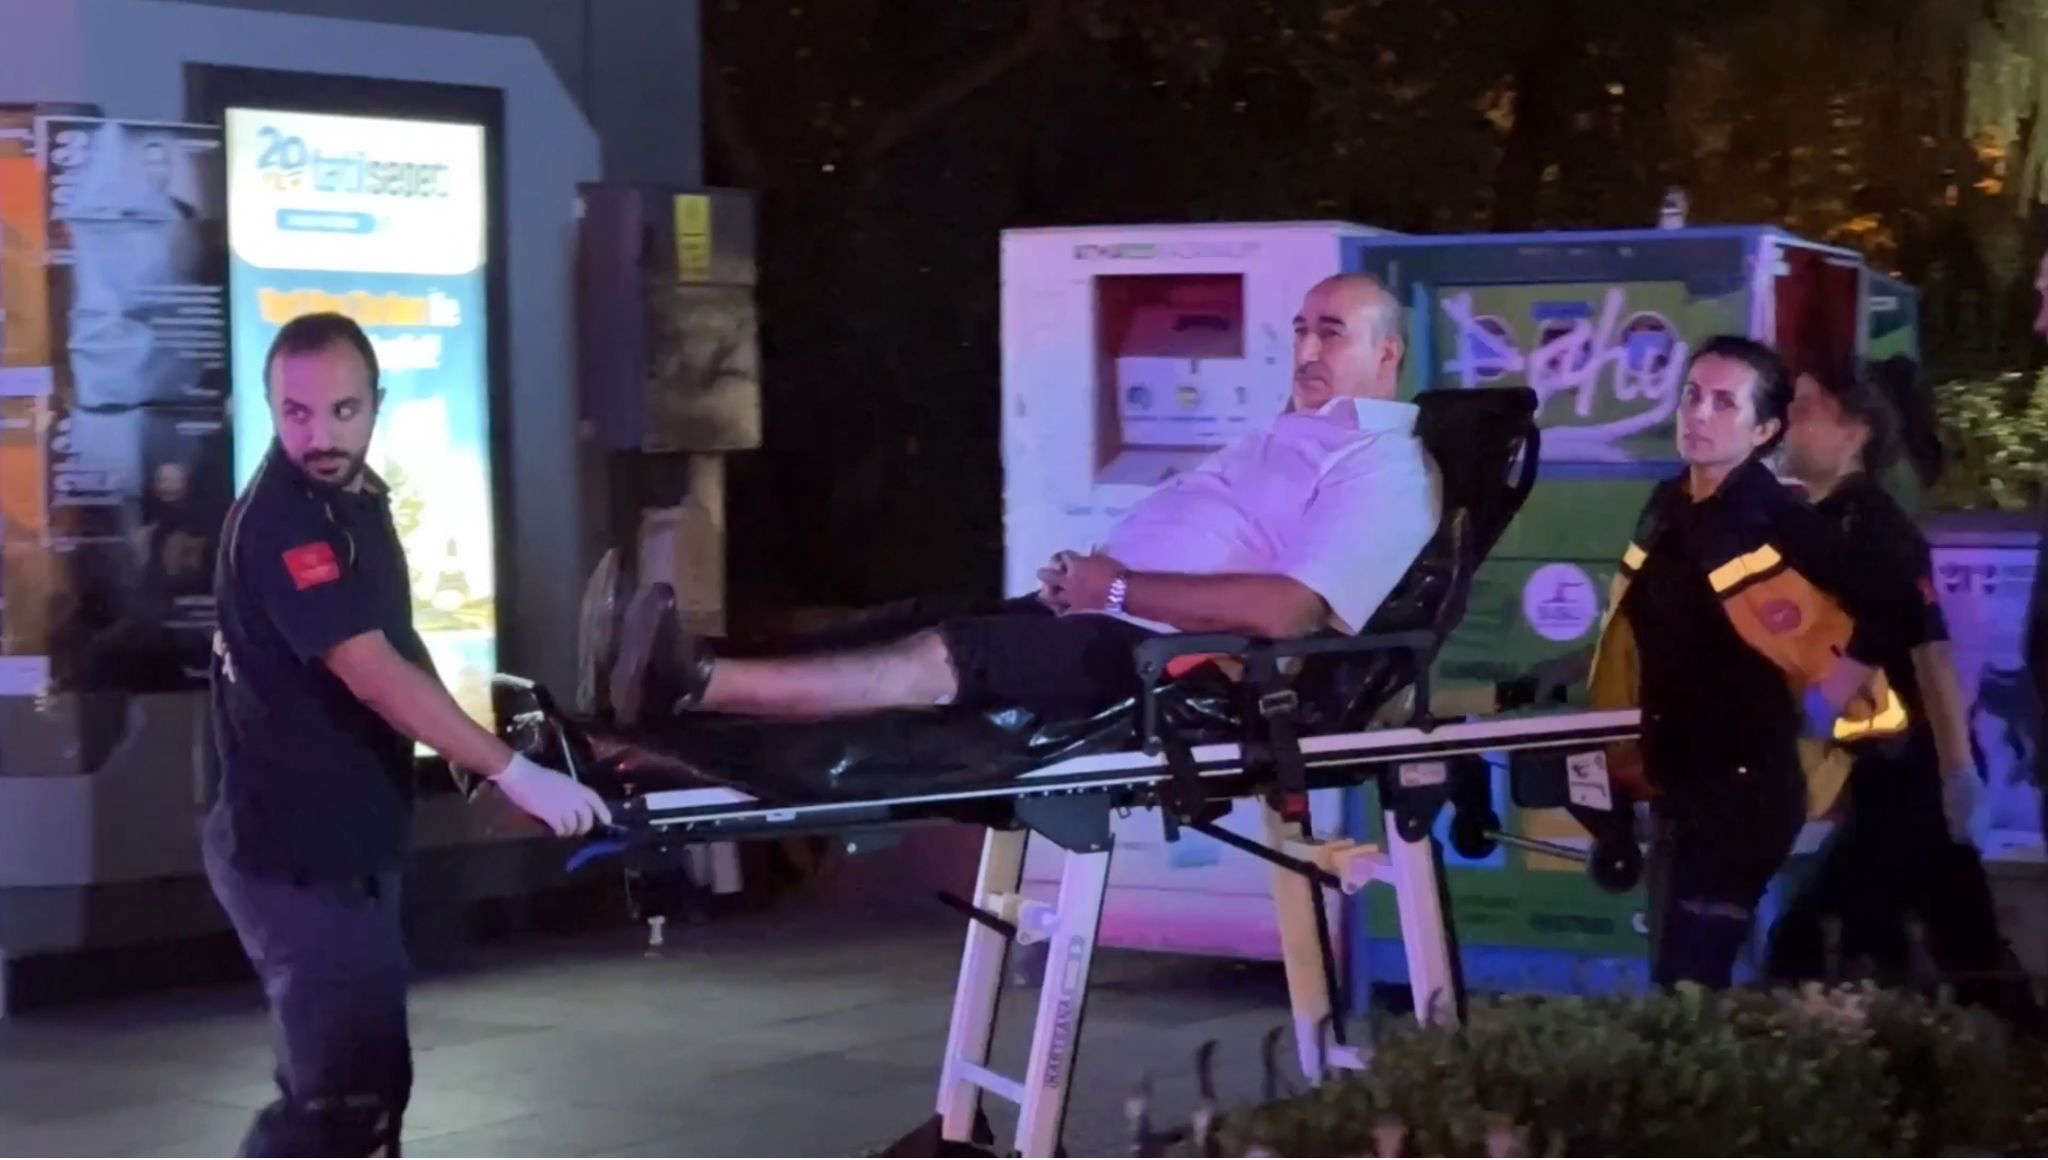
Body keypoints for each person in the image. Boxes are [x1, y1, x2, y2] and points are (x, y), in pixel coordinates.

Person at [596, 273, 1443, 727]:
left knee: (952, 656)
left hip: (1176, 663)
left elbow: (1289, 611)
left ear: (1388, 354)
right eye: (1300, 329)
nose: (1306, 348)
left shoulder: (1385, 471)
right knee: (923, 617)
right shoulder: (1297, 435)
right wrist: (1097, 584)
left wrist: (1117, 586)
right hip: (1119, 619)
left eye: (1331, 332)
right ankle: (683, 657)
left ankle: (695, 683)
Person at [204, 311, 612, 1156]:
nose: (320, 436)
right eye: (297, 413)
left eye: (343, 411)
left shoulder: (358, 499)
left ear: (377, 404)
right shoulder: (283, 521)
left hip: (352, 835)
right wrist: (511, 771)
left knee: (375, 1084)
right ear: (271, 409)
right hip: (294, 850)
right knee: (338, 1101)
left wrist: (469, 755)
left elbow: (397, 644)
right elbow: (370, 671)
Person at [1586, 336, 1918, 989]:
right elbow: (1648, 625)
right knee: (1678, 980)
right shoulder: (1669, 506)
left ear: (1764, 430)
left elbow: (1890, 608)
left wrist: (1833, 699)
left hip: (1749, 784)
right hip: (1675, 776)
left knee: (1691, 978)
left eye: (1723, 403)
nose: (1698, 414)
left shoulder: (1776, 517)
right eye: (1691, 396)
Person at [1767, 363, 2037, 1020]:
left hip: (1914, 774)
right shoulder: (1819, 523)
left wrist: (1955, 773)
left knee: (1814, 940)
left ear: (1854, 431)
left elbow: (1927, 646)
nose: (1787, 423)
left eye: (1805, 408)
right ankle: (1988, 1048)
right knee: (1942, 939)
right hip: (1885, 774)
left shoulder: (1872, 527)